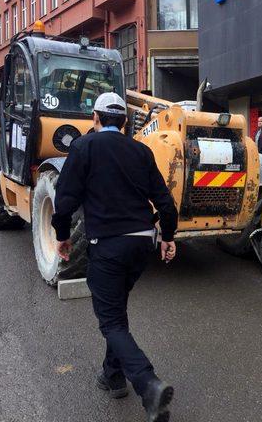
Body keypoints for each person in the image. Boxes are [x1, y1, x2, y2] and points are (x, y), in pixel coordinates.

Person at [51, 93, 179, 422]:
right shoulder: (141, 150)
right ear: (124, 121)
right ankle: (113, 376)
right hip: (141, 245)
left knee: (109, 321)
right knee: (116, 313)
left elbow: (64, 199)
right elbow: (165, 201)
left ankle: (148, 385)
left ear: (95, 118)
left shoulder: (84, 147)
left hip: (107, 246)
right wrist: (167, 237)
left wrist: (62, 236)